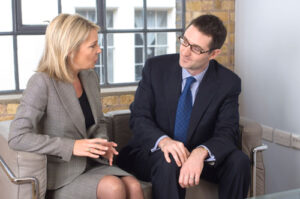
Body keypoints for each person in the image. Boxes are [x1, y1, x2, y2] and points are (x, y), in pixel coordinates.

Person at [8, 14, 144, 199]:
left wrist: (101, 144)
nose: (99, 50)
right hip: (62, 174)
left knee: (134, 186)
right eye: (92, 45)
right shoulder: (42, 82)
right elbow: (17, 137)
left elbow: (99, 122)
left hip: (93, 165)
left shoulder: (89, 77)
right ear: (70, 50)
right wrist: (72, 146)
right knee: (113, 188)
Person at [116, 14, 250, 199]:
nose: (185, 51)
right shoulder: (156, 68)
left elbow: (227, 131)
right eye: (184, 41)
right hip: (154, 155)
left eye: (196, 49)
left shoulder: (228, 83)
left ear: (213, 54)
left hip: (198, 158)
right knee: (169, 161)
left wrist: (200, 153)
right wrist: (164, 142)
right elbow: (139, 117)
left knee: (239, 161)